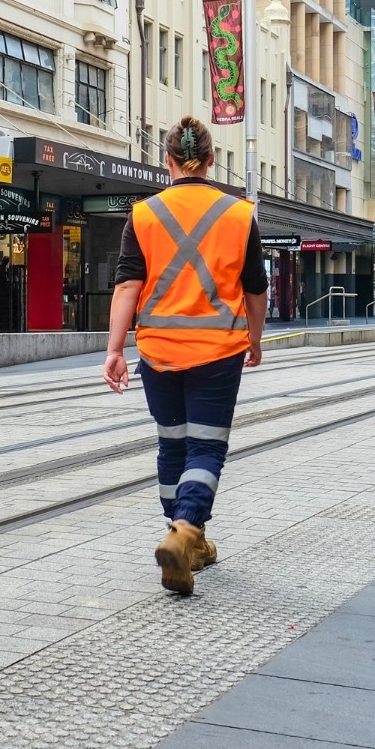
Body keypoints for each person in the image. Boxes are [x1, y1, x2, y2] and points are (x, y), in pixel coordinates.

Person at [105, 117, 265, 598]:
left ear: (167, 161)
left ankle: (187, 536)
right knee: (206, 447)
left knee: (172, 445)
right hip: (218, 352)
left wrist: (114, 349)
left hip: (158, 351)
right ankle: (185, 530)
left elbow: (128, 284)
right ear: (212, 160)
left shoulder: (144, 213)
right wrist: (254, 338)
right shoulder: (239, 213)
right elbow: (255, 289)